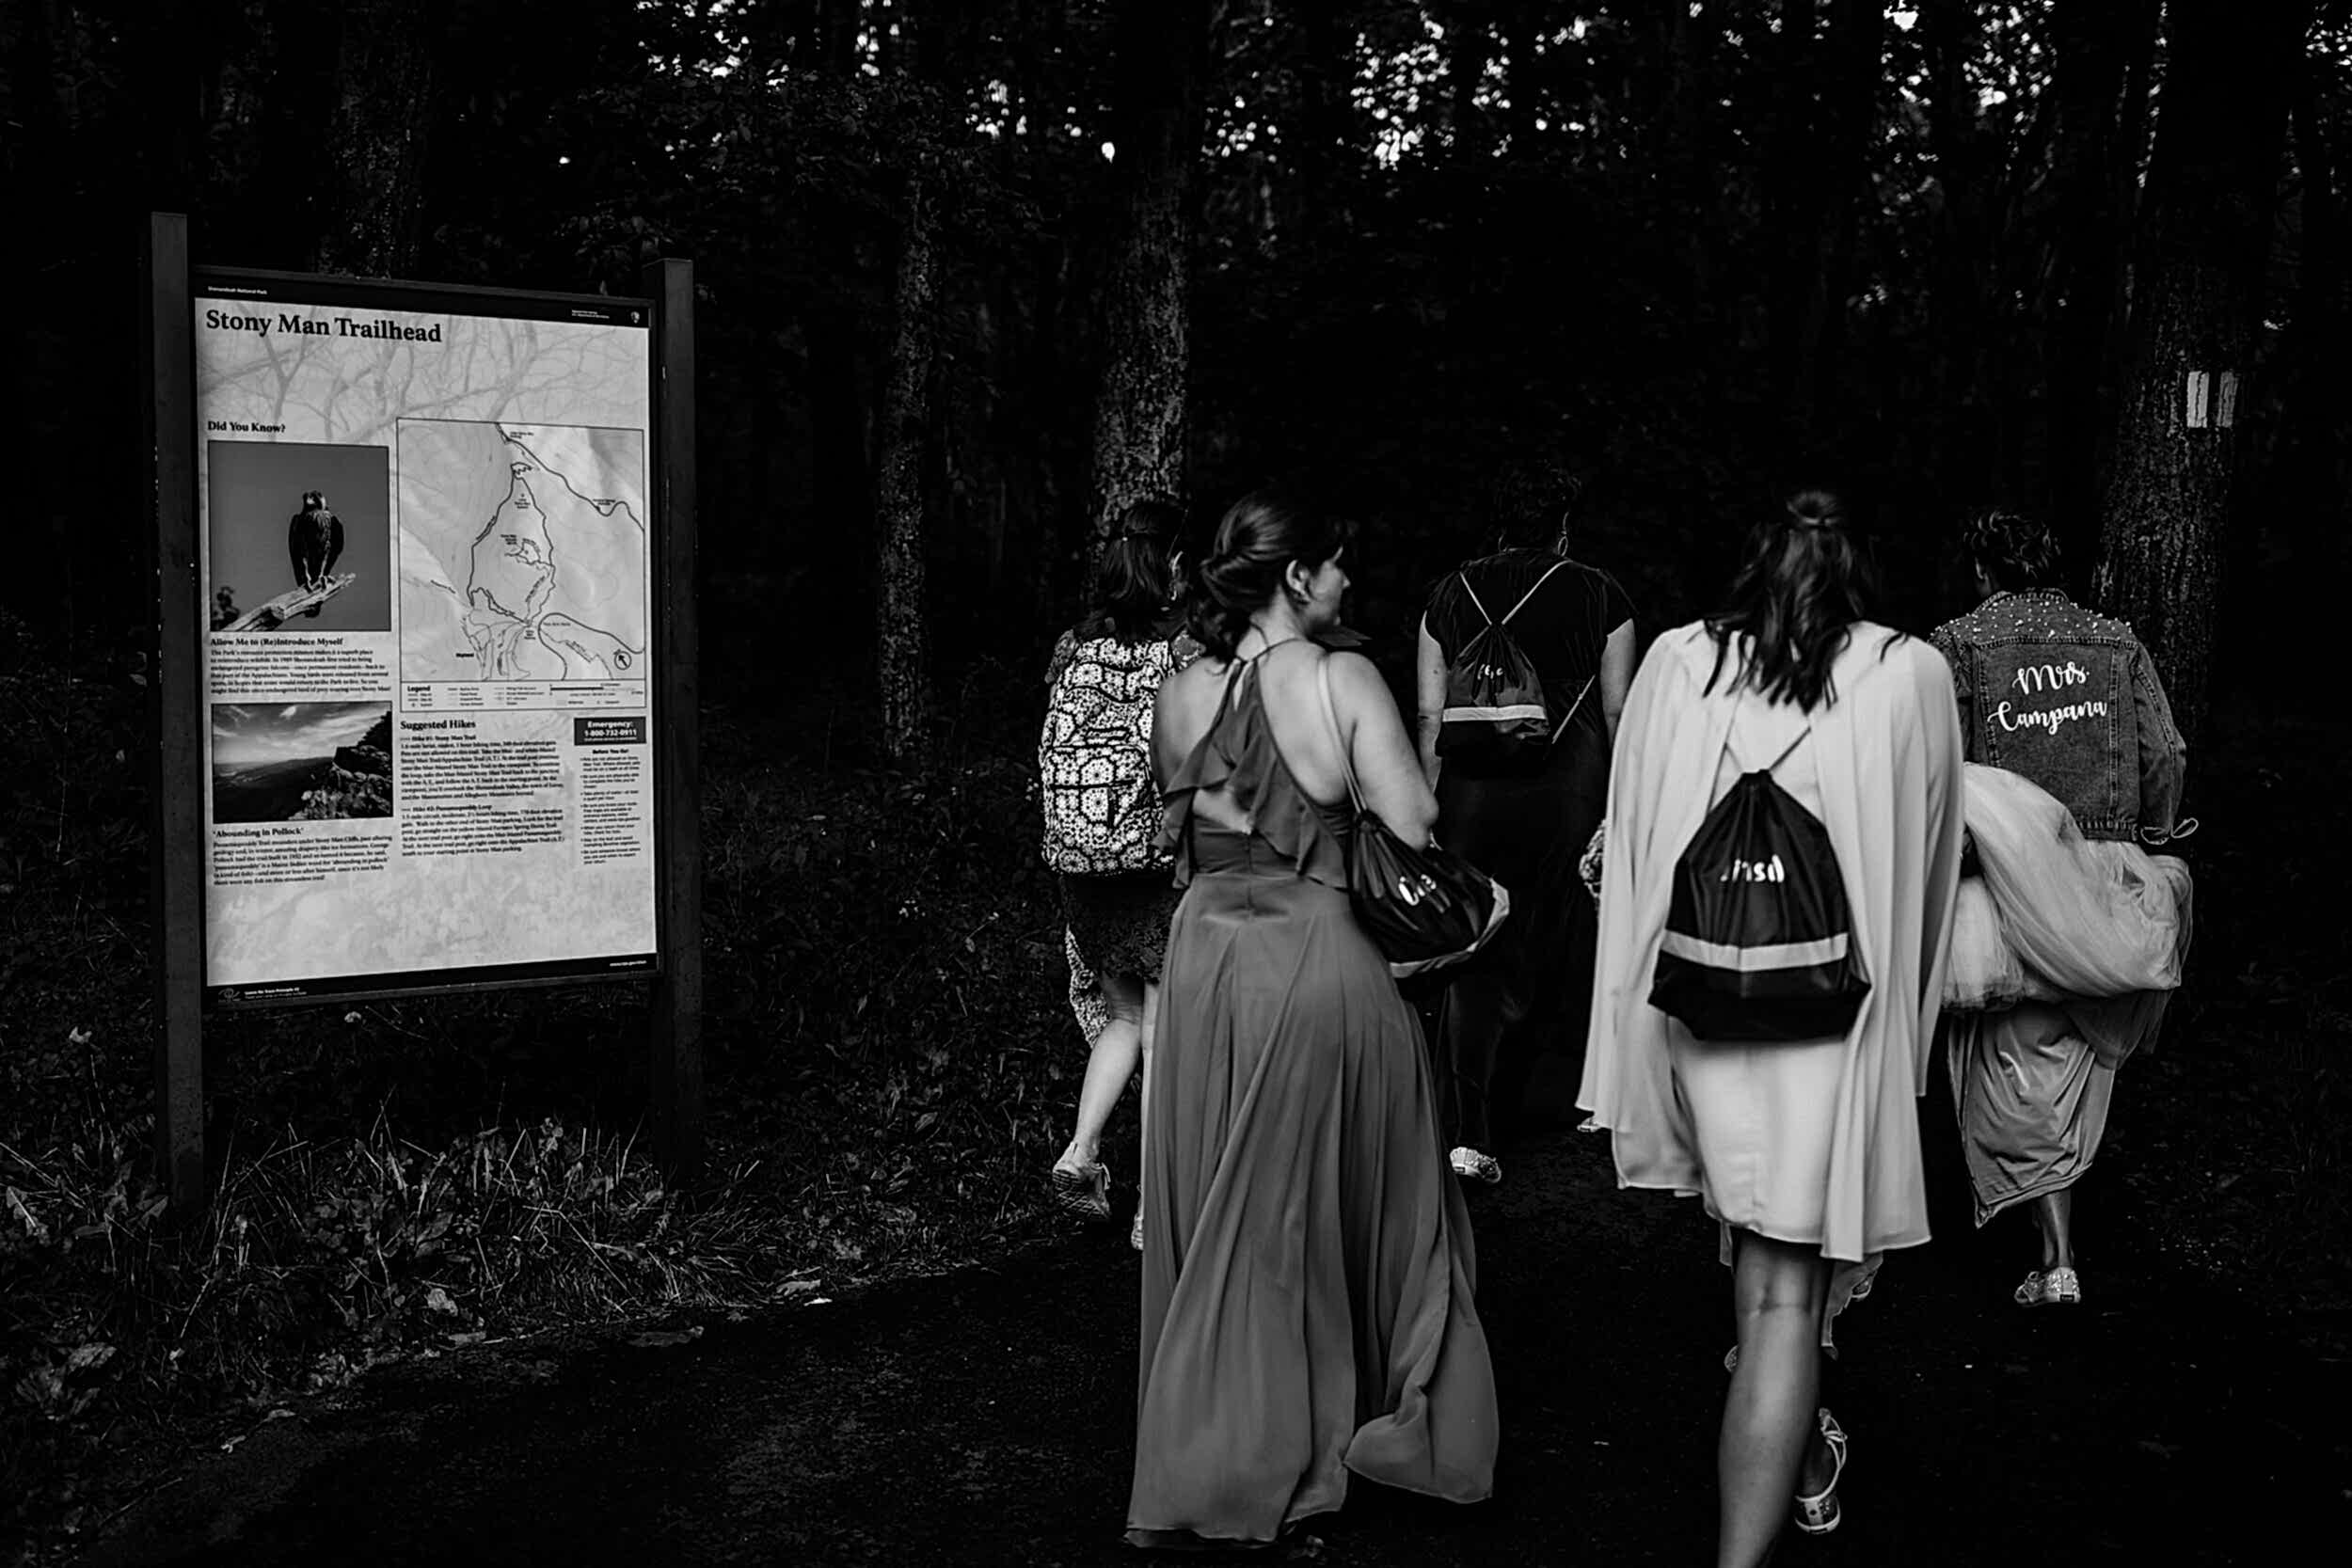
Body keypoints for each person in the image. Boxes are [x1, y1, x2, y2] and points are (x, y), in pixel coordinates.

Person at [1580, 489, 1964, 1564]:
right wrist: (1910, 1019)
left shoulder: (1676, 663)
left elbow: (1637, 824)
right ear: (1859, 567)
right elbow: (1932, 857)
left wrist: (1626, 1019)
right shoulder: (1907, 673)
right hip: (1834, 1015)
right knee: (1786, 1289)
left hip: (1703, 998)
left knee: (1752, 1255)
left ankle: (1798, 1455)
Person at [1127, 490, 1497, 1550]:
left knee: (1227, 1206)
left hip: (1205, 958)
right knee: (1311, 1204)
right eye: (1335, 567)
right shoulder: (1340, 679)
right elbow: (1411, 821)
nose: (1347, 584)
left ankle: (1211, 1434)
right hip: (1311, 954)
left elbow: (1169, 827)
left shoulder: (1182, 688)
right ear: (1296, 576)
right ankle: (1281, 1464)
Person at [1929, 509, 2193, 1308]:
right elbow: (2168, 752)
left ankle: (2058, 1255)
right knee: (2073, 1058)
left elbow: (1937, 759)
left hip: (2010, 891)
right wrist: (2154, 836)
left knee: (2014, 1063)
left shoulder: (1959, 642)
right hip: (2104, 884)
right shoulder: (2116, 639)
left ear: (1983, 571)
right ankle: (2058, 1250)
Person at [1414, 492, 1635, 1182]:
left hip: (1471, 793)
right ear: (1564, 525)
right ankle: (1552, 1100)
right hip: (1568, 786)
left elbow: (1428, 713)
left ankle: (1471, 1128)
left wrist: (1427, 808)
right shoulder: (1601, 592)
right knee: (1559, 932)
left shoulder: (1448, 594)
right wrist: (1624, 804)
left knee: (1478, 942)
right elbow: (1619, 705)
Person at [1041, 499, 1198, 1244]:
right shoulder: (1184, 650)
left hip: (1084, 868)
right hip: (1153, 866)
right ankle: (1150, 1213)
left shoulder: (1073, 646)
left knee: (1123, 1019)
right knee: (1162, 1035)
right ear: (1169, 564)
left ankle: (1081, 1151)